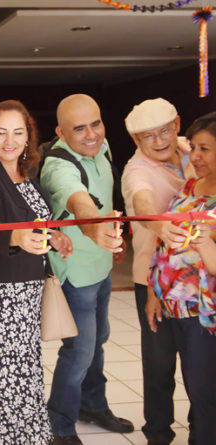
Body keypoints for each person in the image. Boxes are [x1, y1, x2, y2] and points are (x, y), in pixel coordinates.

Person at [0, 100, 73, 445]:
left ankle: (25, 436)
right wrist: (17, 236)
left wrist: (53, 236)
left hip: (25, 290)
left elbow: (36, 223)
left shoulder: (28, 174)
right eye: (1, 132)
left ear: (28, 137)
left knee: (23, 370)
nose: (10, 140)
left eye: (18, 133)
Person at [41, 94, 133, 445]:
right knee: (79, 351)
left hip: (101, 266)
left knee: (98, 343)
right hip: (74, 274)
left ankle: (93, 405)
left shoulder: (103, 146)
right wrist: (96, 228)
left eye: (96, 123)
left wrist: (109, 243)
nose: (91, 134)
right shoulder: (58, 166)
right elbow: (77, 199)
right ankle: (60, 425)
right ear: (60, 132)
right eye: (79, 129)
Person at [121, 97, 194, 445]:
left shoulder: (194, 149)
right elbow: (143, 204)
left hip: (200, 280)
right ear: (136, 140)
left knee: (202, 363)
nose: (160, 141)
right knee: (161, 363)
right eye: (148, 136)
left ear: (178, 124)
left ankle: (203, 429)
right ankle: (158, 435)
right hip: (154, 282)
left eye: (165, 131)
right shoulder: (136, 170)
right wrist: (160, 225)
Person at [147, 112, 216, 445]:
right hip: (177, 308)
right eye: (195, 148)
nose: (196, 156)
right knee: (195, 388)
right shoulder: (192, 184)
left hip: (206, 315)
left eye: (205, 149)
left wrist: (206, 248)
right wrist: (153, 291)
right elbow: (164, 243)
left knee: (205, 395)